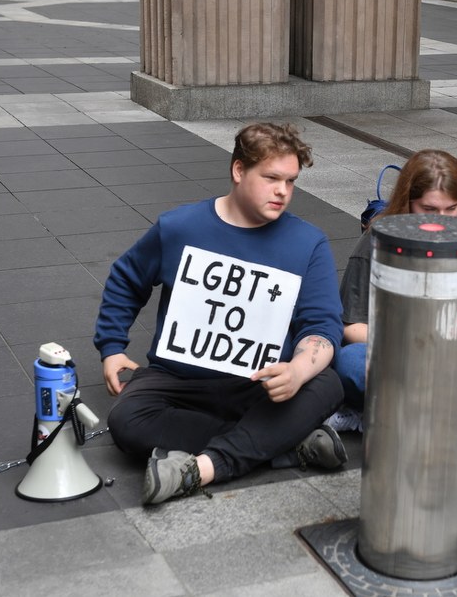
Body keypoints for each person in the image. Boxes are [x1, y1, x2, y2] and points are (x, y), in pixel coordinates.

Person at [94, 122, 347, 506]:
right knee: (126, 421)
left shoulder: (308, 242)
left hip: (259, 383)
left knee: (327, 383)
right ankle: (283, 444)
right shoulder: (179, 227)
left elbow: (323, 325)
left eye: (291, 181)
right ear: (239, 170)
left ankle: (206, 467)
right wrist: (112, 346)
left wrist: (296, 371)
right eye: (271, 178)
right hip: (179, 377)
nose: (283, 191)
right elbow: (127, 279)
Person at [331, 149, 457, 430]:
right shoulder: (375, 242)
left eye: (452, 209)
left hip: (453, 353)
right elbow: (352, 326)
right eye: (429, 210)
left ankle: (396, 410)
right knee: (350, 363)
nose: (442, 220)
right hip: (392, 350)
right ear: (408, 203)